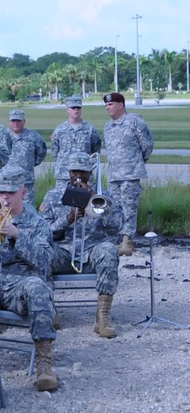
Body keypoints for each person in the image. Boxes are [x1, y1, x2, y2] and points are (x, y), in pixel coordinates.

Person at [0, 166, 58, 391]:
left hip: (21, 285)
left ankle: (44, 362)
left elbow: (45, 261)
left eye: (10, 192)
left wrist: (18, 235)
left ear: (23, 193)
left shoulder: (38, 224)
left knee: (38, 288)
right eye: (1, 192)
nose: (4, 198)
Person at [41, 152, 122, 339]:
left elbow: (117, 226)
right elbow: (44, 233)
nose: (78, 175)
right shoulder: (53, 196)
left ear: (90, 172)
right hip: (64, 251)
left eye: (83, 172)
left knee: (109, 250)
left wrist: (98, 202)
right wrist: (67, 219)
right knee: (40, 252)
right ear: (68, 172)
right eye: (74, 171)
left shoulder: (104, 195)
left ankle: (102, 316)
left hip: (93, 249)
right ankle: (48, 310)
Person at [102, 92, 153, 256]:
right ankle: (119, 239)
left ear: (120, 105)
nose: (107, 108)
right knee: (115, 208)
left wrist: (138, 161)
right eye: (106, 105)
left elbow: (147, 144)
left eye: (110, 105)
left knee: (129, 207)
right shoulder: (108, 127)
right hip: (114, 174)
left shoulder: (135, 122)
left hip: (131, 173)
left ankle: (128, 241)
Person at [50, 96, 101, 189]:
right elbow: (55, 151)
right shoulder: (59, 130)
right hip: (64, 175)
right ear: (67, 109)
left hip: (84, 175)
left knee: (86, 201)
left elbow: (96, 151)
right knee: (61, 201)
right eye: (73, 108)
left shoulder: (90, 129)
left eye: (78, 107)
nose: (76, 110)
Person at [6, 109, 47, 205]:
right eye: (13, 121)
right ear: (9, 122)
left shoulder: (33, 136)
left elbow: (41, 152)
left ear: (24, 122)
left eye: (18, 121)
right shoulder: (3, 136)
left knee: (28, 208)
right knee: (6, 209)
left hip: (26, 182)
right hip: (7, 182)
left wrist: (31, 163)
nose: (15, 123)